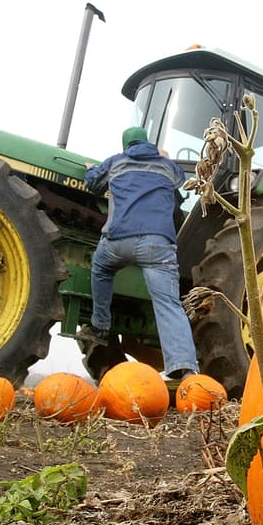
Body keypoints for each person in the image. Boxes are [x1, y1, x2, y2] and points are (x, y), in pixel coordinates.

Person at [79, 126, 200, 380]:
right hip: (157, 245)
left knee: (100, 268)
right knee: (169, 304)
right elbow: (181, 183)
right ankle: (186, 369)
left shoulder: (116, 162)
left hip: (117, 241)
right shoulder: (167, 167)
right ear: (149, 143)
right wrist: (165, 158)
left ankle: (100, 326)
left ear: (126, 145)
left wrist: (90, 169)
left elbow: (93, 183)